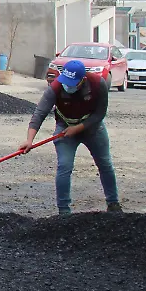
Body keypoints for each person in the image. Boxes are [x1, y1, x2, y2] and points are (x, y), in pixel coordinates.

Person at [19, 59, 122, 215]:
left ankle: (113, 204)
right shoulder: (56, 87)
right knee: (64, 166)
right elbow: (40, 113)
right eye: (65, 81)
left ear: (82, 80)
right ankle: (64, 212)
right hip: (65, 128)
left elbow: (100, 114)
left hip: (93, 129)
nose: (67, 86)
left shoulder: (97, 84)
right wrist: (29, 140)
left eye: (72, 83)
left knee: (105, 164)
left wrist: (78, 128)